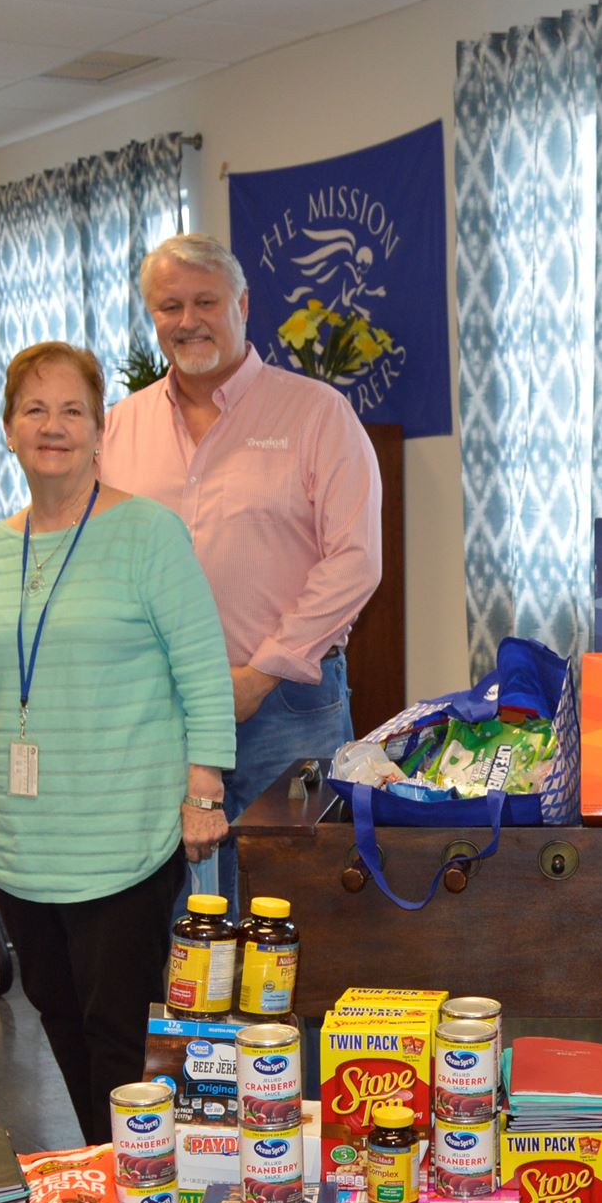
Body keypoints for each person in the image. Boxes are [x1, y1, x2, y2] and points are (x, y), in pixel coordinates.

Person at [0, 343, 236, 1145]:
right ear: (8, 429)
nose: (54, 426)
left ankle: (136, 1184)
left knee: (119, 1028)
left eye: (72, 410)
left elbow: (203, 669)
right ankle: (110, 1162)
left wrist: (203, 789)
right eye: (35, 410)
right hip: (25, 843)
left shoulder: (147, 533)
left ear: (100, 429)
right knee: (59, 1014)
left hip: (124, 834)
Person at [99, 231, 380, 897]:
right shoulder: (118, 429)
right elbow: (102, 561)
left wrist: (261, 672)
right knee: (177, 913)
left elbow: (356, 560)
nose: (187, 320)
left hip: (288, 705)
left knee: (293, 908)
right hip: (160, 709)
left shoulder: (317, 414)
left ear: (243, 304)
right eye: (169, 306)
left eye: (205, 302)